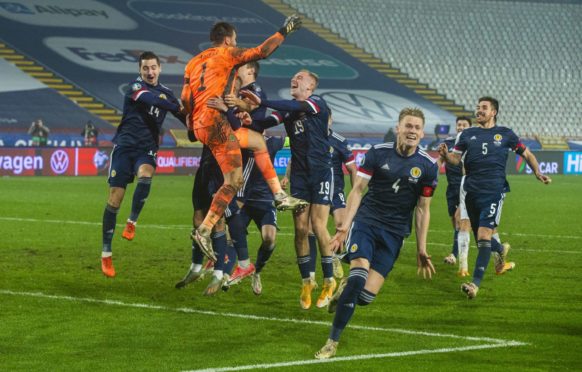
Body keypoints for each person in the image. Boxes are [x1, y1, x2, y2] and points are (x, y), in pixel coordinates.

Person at [314, 107, 437, 359]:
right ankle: (332, 341)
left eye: (416, 127)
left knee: (365, 296)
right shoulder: (377, 153)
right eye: (408, 126)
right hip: (366, 223)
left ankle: (344, 291)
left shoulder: (427, 166)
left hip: (394, 233)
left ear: (422, 133)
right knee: (358, 276)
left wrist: (421, 248)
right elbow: (358, 190)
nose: (412, 131)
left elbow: (423, 209)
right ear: (398, 128)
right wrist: (344, 226)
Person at [181, 17, 306, 263]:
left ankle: (279, 195)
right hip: (215, 121)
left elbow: (186, 97)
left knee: (258, 141)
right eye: (235, 39)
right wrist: (284, 31)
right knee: (234, 180)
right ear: (228, 39)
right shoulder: (227, 53)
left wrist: (190, 118)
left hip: (201, 122)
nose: (235, 43)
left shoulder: (193, 62)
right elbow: (263, 51)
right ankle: (204, 231)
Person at [242, 70, 337, 309]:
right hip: (300, 177)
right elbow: (265, 122)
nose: (294, 79)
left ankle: (329, 280)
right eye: (293, 77)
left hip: (321, 172)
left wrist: (261, 101)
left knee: (318, 225)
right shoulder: (288, 110)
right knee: (300, 228)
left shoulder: (316, 103)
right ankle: (307, 281)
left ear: (311, 85)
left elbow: (289, 106)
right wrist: (246, 120)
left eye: (301, 77)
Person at [439, 96, 551, 299]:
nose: (478, 110)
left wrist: (537, 172)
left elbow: (526, 154)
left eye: (483, 108)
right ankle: (500, 248)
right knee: (481, 237)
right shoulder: (467, 134)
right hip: (470, 192)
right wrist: (447, 156)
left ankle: (474, 284)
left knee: (483, 237)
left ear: (494, 112)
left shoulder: (505, 134)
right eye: (477, 107)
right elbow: (455, 159)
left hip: (493, 192)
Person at [100, 51, 184, 278]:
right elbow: (152, 100)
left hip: (146, 148)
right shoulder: (135, 87)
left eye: (153, 67)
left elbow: (183, 116)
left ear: (160, 69)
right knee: (114, 199)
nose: (150, 72)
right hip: (125, 147)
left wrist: (195, 128)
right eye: (145, 68)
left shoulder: (167, 93)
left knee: (146, 175)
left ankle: (132, 222)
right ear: (140, 70)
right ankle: (106, 254)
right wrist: (174, 106)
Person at [307, 109, 357, 281]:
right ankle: (319, 266)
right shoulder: (311, 137)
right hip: (317, 191)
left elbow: (352, 169)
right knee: (311, 229)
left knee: (342, 225)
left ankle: (335, 257)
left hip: (335, 192)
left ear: (330, 120)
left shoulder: (340, 141)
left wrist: (354, 191)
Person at [440, 116, 471, 273]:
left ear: (470, 127)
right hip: (451, 187)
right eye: (459, 124)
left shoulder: (471, 143)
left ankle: (453, 255)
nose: (460, 127)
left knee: (459, 219)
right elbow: (440, 160)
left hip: (465, 187)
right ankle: (461, 246)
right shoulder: (449, 143)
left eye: (464, 125)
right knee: (454, 220)